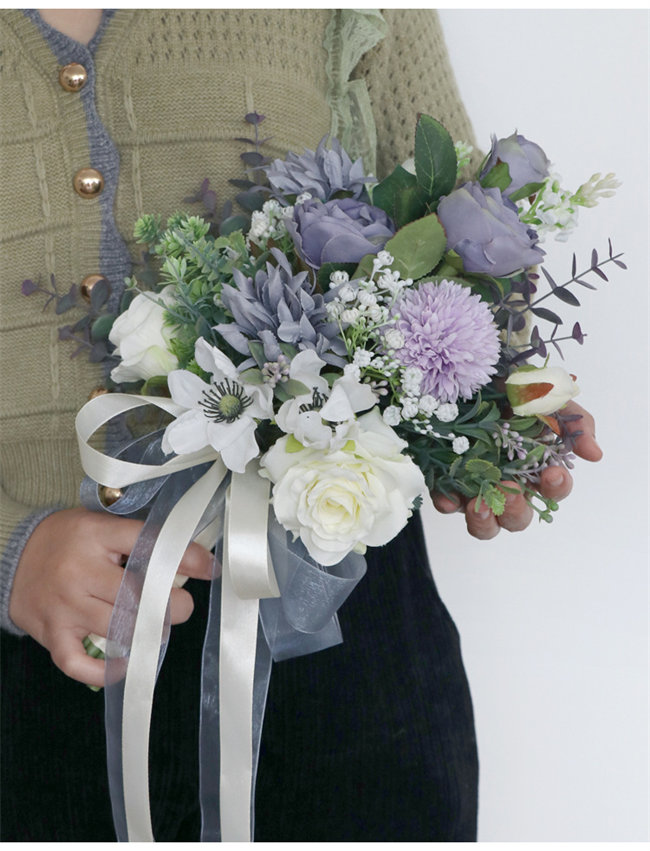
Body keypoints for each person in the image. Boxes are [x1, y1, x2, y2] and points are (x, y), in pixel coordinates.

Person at [0, 9, 601, 842]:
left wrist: (489, 413)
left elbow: (464, 233)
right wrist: (9, 552)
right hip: (29, 685)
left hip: (345, 644)